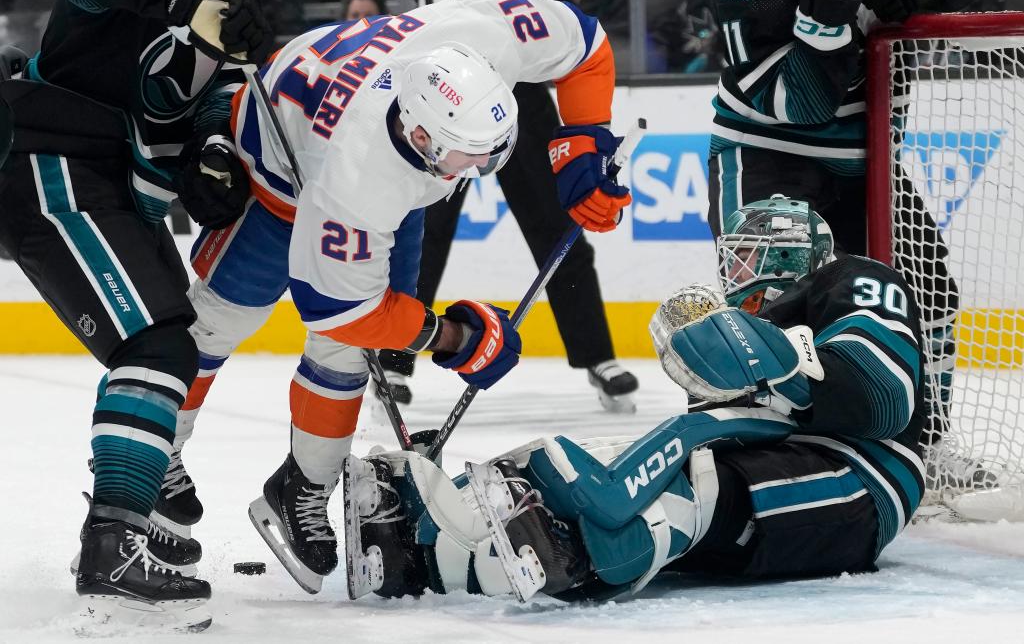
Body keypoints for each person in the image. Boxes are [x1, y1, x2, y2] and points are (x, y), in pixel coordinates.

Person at [173, 0, 631, 593]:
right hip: (276, 174)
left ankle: (303, 486)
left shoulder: (488, 33)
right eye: (463, 158)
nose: (473, 171)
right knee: (217, 324)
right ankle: (157, 450)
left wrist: (583, 143)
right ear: (420, 137)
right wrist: (452, 337)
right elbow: (342, 312)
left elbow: (588, 45)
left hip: (370, 145)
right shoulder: (357, 181)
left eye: (485, 154)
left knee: (344, 360)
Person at [343, 195, 926, 602]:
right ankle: (431, 546)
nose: (734, 269)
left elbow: (884, 397)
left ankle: (590, 550)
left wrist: (774, 362)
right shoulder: (749, 327)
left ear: (790, 255)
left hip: (865, 479)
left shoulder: (850, 278)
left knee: (692, 482)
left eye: (748, 254)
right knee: (604, 463)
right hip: (778, 486)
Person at [0, 0, 270, 631]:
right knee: (156, 345)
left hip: (115, 176)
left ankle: (136, 503)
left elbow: (221, 84)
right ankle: (114, 542)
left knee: (170, 340)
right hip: (52, 155)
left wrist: (212, 146)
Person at [705, 0, 983, 476]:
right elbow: (803, 105)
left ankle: (923, 440)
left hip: (865, 161)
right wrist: (826, 16)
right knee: (771, 298)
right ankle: (768, 445)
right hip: (768, 152)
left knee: (926, 293)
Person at [363, 0, 639, 413]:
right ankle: (394, 356)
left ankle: (598, 355)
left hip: (521, 83)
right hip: (442, 85)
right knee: (423, 230)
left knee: (556, 223)